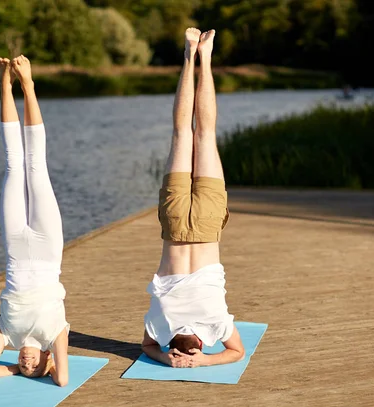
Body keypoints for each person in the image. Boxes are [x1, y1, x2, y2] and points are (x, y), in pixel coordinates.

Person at [141, 28, 245, 368]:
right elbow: (147, 347)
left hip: (206, 222)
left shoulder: (216, 325)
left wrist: (202, 361)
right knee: (182, 132)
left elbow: (235, 352)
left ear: (200, 343)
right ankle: (189, 55)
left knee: (205, 133)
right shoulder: (159, 326)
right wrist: (166, 356)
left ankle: (205, 55)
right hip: (173, 225)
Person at [0, 55, 69, 386]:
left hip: (16, 249)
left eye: (24, 366)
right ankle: (28, 85)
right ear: (47, 360)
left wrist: (15, 371)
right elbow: (62, 381)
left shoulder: (9, 334)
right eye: (35, 366)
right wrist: (50, 370)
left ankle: (5, 83)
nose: (27, 363)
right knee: (36, 166)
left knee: (14, 165)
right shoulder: (55, 334)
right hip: (47, 250)